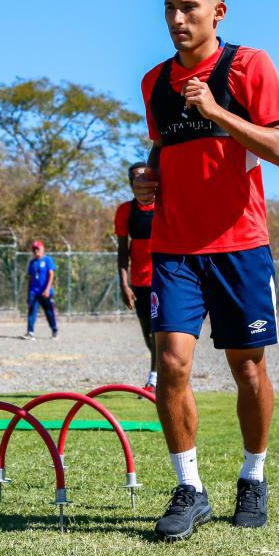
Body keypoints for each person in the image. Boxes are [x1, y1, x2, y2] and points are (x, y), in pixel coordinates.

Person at [135, 0, 279, 540]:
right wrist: (143, 180)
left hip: (240, 247)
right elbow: (161, 154)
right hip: (174, 247)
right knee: (171, 363)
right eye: (169, 9)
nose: (177, 20)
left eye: (189, 8)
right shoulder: (154, 82)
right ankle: (190, 489)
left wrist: (219, 113)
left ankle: (253, 476)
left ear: (217, 12)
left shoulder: (250, 66)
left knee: (246, 369)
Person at [114, 162, 157, 393]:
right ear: (131, 184)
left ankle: (154, 379)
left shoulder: (165, 205)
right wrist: (124, 283)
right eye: (135, 179)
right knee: (147, 335)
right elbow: (122, 250)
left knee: (159, 333)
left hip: (164, 280)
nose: (141, 182)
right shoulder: (125, 211)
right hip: (139, 282)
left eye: (145, 177)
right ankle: (161, 373)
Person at [22, 240, 59, 340]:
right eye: (34, 249)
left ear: (42, 249)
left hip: (45, 292)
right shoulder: (32, 262)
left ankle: (54, 330)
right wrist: (28, 293)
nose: (35, 251)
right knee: (32, 312)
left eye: (37, 249)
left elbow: (51, 275)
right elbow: (30, 278)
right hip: (34, 292)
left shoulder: (48, 260)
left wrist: (47, 289)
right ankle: (30, 332)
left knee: (49, 312)